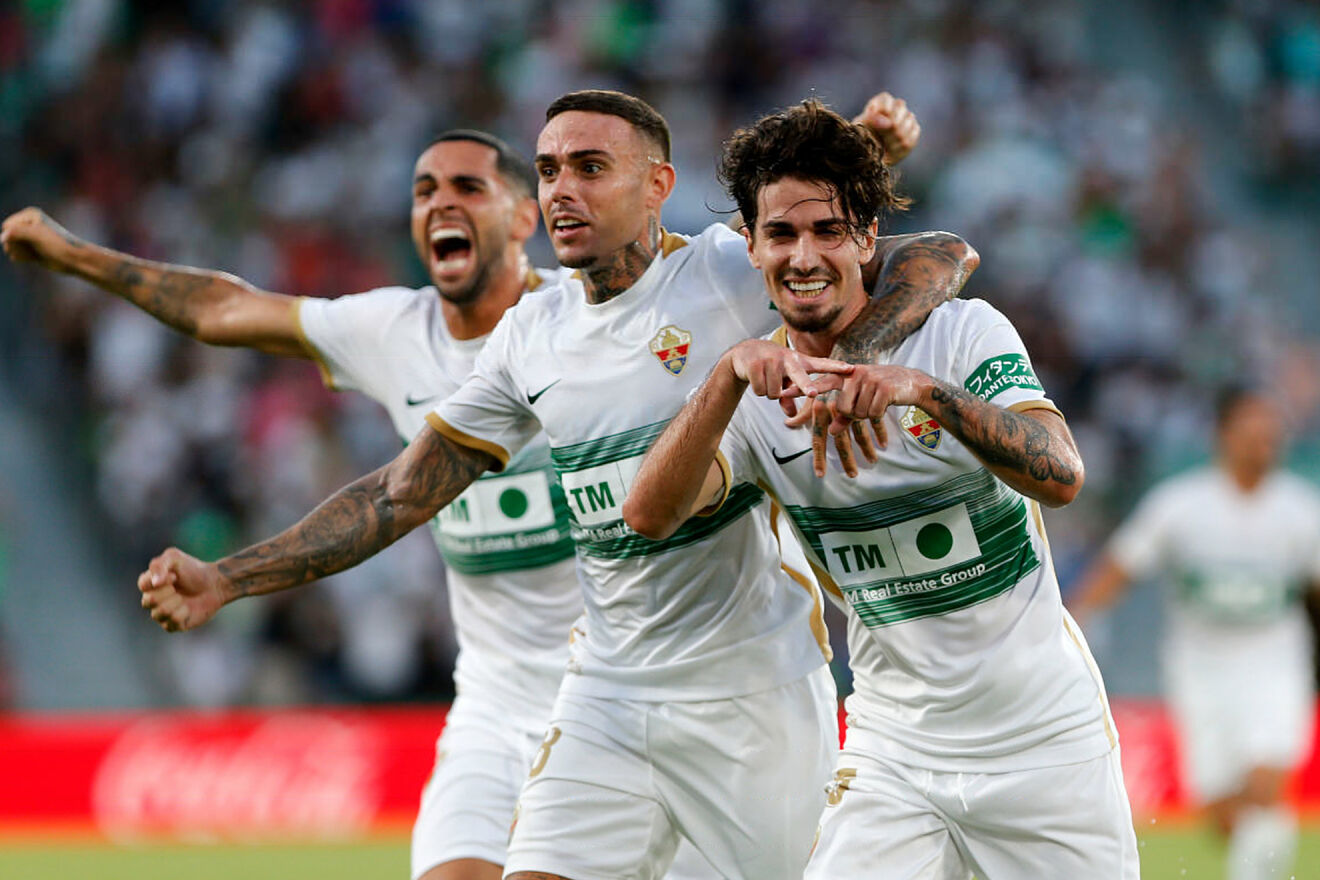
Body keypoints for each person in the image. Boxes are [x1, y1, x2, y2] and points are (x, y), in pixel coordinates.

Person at [132, 89, 976, 879]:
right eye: (547, 170)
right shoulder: (531, 335)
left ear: (658, 187)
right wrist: (226, 579)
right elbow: (400, 494)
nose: (562, 189)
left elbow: (938, 253)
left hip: (751, 694)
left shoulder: (726, 271)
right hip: (607, 692)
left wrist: (853, 361)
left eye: (589, 168)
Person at [3, 130, 582, 880]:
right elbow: (225, 311)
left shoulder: (588, 324)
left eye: (468, 187)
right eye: (424, 190)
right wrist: (76, 256)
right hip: (492, 708)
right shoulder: (393, 330)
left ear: (524, 218)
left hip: (607, 699)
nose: (441, 201)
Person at [625, 99, 1139, 879]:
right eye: (782, 234)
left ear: (867, 239)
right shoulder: (757, 393)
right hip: (894, 748)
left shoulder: (961, 334)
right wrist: (727, 374)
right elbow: (649, 517)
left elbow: (1061, 474)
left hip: (1043, 743)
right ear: (751, 248)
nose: (804, 255)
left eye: (828, 231)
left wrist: (925, 393)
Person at [1070, 385, 1320, 880]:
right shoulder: (1180, 505)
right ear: (1223, 436)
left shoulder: (1300, 508)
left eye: (1271, 436)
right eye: (1253, 433)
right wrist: (1068, 622)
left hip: (1274, 660)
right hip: (1200, 667)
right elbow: (1121, 566)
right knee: (1222, 810)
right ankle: (1264, 847)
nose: (1263, 444)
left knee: (1266, 778)